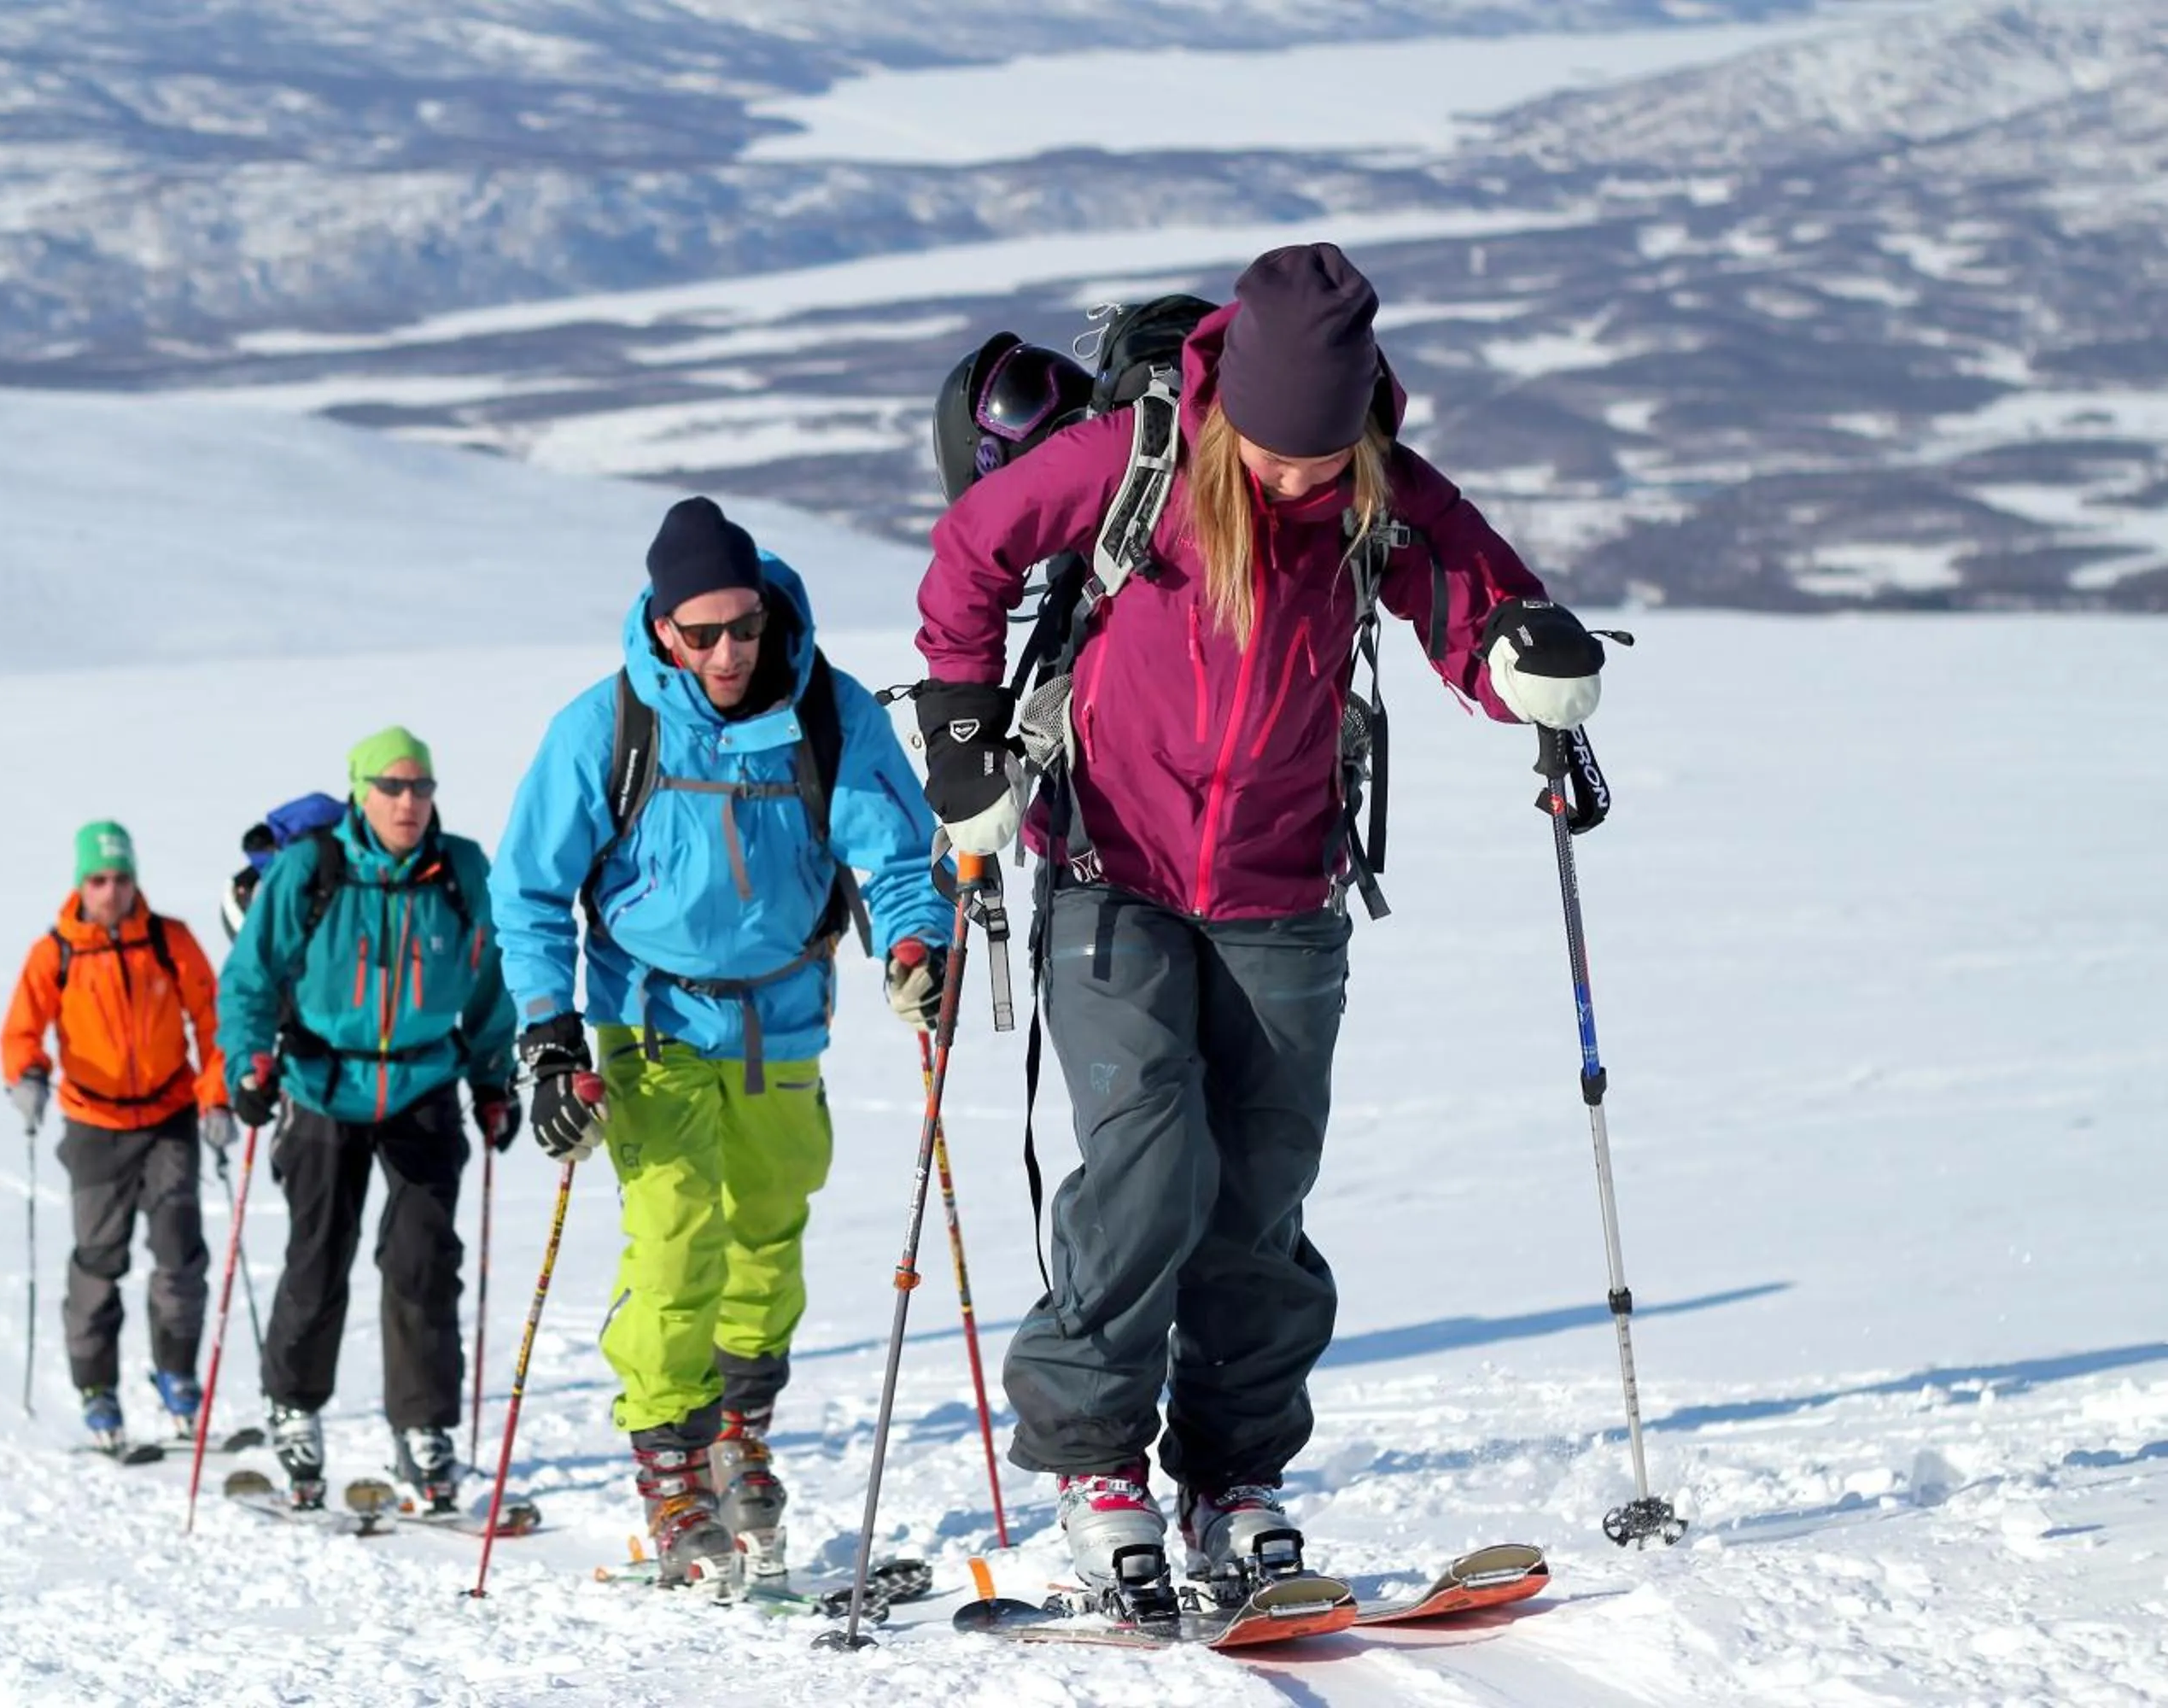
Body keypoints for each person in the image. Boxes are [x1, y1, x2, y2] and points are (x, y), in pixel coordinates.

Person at [911, 243, 1612, 1594]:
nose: (1296, 480)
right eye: (1277, 456)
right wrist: (960, 721)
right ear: (1232, 407)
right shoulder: (1141, 461)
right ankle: (1095, 1458)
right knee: (1143, 1157)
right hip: (1111, 863)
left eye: (1322, 456)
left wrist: (1525, 666)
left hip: (1285, 883)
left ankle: (1234, 1476)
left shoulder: (1375, 486)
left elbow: (1475, 604)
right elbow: (970, 554)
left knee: (1260, 1185)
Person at [491, 495, 948, 1589]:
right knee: (677, 1235)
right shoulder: (606, 727)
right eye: (704, 633)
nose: (731, 650)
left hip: (785, 1012)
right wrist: (551, 1035)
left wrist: (914, 944)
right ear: (661, 627)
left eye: (744, 625)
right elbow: (530, 889)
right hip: (650, 1016)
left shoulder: (828, 709)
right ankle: (668, 1450)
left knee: (770, 1223)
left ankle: (741, 1426)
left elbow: (893, 849)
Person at [216, 728, 517, 1512]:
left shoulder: (461, 870)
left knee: (422, 1263)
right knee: (318, 1256)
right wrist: (248, 1062)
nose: (409, 802)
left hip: (423, 1083)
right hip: (322, 1083)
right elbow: (250, 976)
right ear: (359, 792)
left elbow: (490, 978)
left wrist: (494, 1079)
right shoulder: (310, 870)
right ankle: (294, 1407)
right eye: (391, 787)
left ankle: (423, 1429)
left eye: (421, 787)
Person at [0, 820, 231, 1449]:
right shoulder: (57, 952)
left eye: (121, 878)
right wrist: (26, 1076)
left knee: (180, 1251)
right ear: (81, 883)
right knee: (100, 1257)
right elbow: (22, 1030)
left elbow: (215, 1025)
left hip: (169, 1117)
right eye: (98, 879)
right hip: (94, 1123)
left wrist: (217, 1097)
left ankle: (178, 1374)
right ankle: (96, 1386)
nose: (111, 891)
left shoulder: (169, 941)